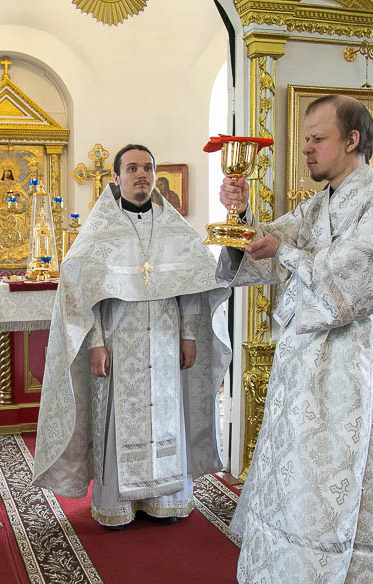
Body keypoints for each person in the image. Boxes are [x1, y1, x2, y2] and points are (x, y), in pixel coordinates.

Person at [217, 95, 373, 584]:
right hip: (308, 375)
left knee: (349, 494)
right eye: (305, 138)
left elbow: (353, 285)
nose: (306, 147)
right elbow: (267, 249)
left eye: (317, 137)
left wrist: (288, 253)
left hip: (358, 383)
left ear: (353, 141)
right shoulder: (318, 205)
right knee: (304, 491)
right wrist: (239, 221)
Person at [33, 144, 231, 529]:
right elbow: (82, 293)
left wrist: (189, 336)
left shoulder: (175, 229)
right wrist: (95, 343)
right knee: (120, 419)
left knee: (166, 416)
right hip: (119, 345)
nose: (141, 175)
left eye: (148, 168)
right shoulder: (99, 233)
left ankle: (166, 499)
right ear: (116, 177)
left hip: (166, 342)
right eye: (132, 168)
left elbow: (192, 286)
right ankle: (118, 505)